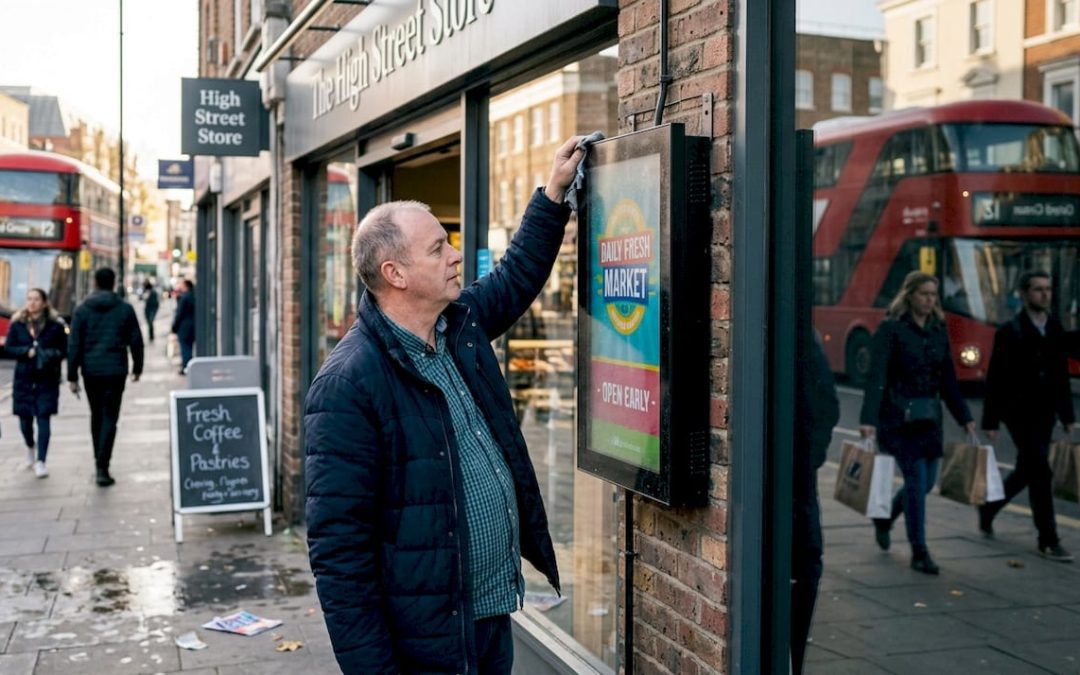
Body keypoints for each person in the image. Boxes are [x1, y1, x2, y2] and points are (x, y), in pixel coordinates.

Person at [304, 136, 586, 674]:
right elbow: (340, 558)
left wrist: (552, 196)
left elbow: (515, 275)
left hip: (487, 619)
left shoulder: (458, 327)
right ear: (395, 274)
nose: (456, 254)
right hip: (426, 641)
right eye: (438, 248)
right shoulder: (348, 385)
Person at [860, 271, 976, 575]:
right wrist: (868, 420)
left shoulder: (938, 330)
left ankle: (885, 520)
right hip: (898, 420)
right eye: (924, 293)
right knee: (914, 482)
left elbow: (948, 379)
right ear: (909, 294)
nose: (929, 300)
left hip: (929, 420)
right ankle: (919, 551)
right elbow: (877, 378)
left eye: (933, 295)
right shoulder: (891, 329)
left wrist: (965, 417)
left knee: (925, 484)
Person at [979, 271, 1075, 561]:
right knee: (1040, 471)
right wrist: (991, 421)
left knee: (1026, 469)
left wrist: (1067, 415)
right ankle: (1048, 539)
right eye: (1038, 290)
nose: (1044, 295)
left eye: (1047, 289)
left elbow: (1061, 376)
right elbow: (995, 377)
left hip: (1044, 412)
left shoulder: (1055, 328)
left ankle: (989, 507)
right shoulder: (1010, 331)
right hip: (1017, 412)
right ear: (1024, 294)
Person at [791, 332, 840, 674]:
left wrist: (811, 456)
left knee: (806, 565)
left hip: (796, 477)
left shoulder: (803, 344)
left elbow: (827, 406)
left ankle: (794, 657)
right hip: (795, 476)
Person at [68, 268, 144, 487]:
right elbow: (136, 341)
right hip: (115, 371)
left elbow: (74, 345)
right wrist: (137, 368)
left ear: (94, 282)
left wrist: (72, 376)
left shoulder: (82, 310)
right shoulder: (124, 309)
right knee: (110, 417)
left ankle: (99, 463)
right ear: (114, 283)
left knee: (96, 416)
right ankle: (103, 466)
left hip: (91, 372)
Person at [6, 289, 67, 478]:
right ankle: (30, 447)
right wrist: (26, 351)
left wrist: (47, 354)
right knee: (25, 423)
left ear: (44, 302)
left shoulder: (55, 326)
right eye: (29, 299)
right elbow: (9, 348)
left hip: (46, 379)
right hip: (23, 380)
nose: (32, 303)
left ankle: (41, 461)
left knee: (43, 419)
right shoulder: (18, 324)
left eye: (36, 299)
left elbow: (64, 350)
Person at [171, 279, 195, 375]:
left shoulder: (185, 297)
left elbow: (179, 314)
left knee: (185, 348)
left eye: (181, 284)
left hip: (184, 327)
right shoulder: (191, 295)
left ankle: (186, 367)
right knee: (188, 347)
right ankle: (187, 365)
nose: (179, 286)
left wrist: (174, 327)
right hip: (191, 326)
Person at [143, 278, 160, 343]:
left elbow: (156, 303)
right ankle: (150, 335)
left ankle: (151, 336)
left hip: (152, 309)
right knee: (149, 323)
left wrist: (155, 309)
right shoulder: (146, 292)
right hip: (148, 309)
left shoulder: (153, 292)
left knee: (150, 322)